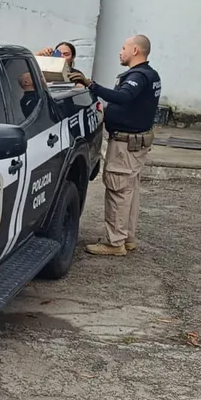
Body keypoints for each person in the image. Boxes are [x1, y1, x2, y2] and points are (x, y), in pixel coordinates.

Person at [68, 35, 161, 257]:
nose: (121, 52)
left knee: (118, 189)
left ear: (136, 50)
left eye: (124, 48)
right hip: (135, 142)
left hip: (125, 144)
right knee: (129, 190)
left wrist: (91, 84)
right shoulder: (151, 75)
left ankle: (115, 242)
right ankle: (127, 237)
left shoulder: (138, 76)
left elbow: (122, 97)